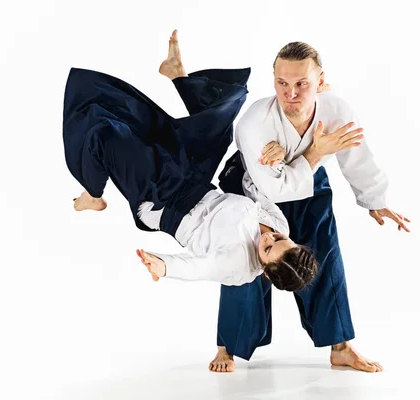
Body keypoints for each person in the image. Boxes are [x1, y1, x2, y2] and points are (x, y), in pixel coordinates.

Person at [208, 41, 411, 373]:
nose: (291, 93)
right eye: (282, 83)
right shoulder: (254, 123)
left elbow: (356, 155)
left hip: (308, 187)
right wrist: (315, 152)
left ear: (321, 81)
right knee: (245, 264)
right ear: (273, 81)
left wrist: (375, 201)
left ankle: (341, 346)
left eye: (301, 83)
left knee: (325, 255)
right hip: (254, 192)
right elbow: (274, 186)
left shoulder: (337, 111)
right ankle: (228, 345)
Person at [63, 31, 319, 288]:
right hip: (195, 180)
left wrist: (164, 266)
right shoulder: (279, 224)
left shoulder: (237, 266)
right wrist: (274, 154)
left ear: (265, 272)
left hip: (161, 198)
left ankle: (93, 193)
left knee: (107, 133)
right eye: (278, 239)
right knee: (220, 119)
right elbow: (255, 187)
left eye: (267, 250)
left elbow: (198, 268)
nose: (267, 239)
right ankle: (177, 73)